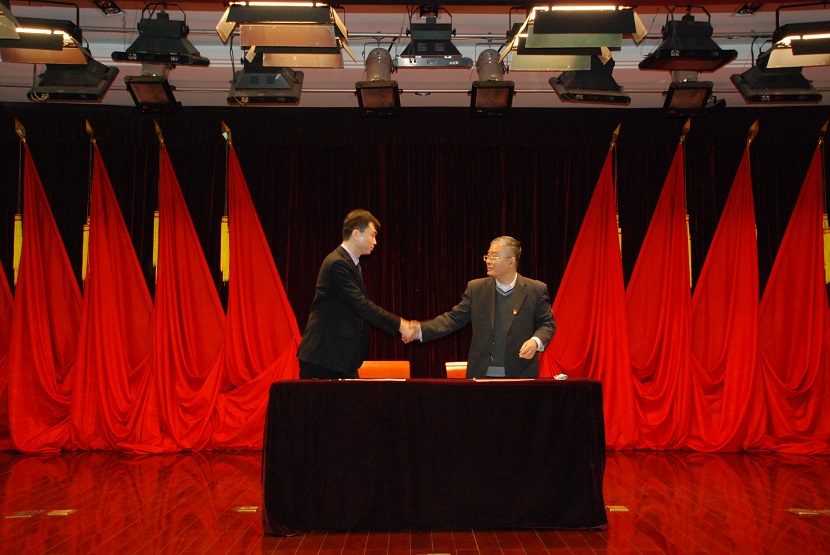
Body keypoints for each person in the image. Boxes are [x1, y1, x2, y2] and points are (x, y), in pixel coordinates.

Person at [406, 236, 555, 378]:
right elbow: (453, 319)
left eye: (494, 256)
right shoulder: (476, 289)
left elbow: (547, 323)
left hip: (521, 373)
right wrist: (421, 330)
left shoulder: (535, 290)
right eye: (487, 256)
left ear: (511, 261)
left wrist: (535, 342)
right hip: (481, 374)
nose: (488, 261)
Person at [297, 209, 418, 379]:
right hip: (323, 359)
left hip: (338, 359)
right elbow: (361, 305)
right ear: (356, 234)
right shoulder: (337, 263)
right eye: (372, 235)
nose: (375, 241)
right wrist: (400, 324)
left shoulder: (348, 264)